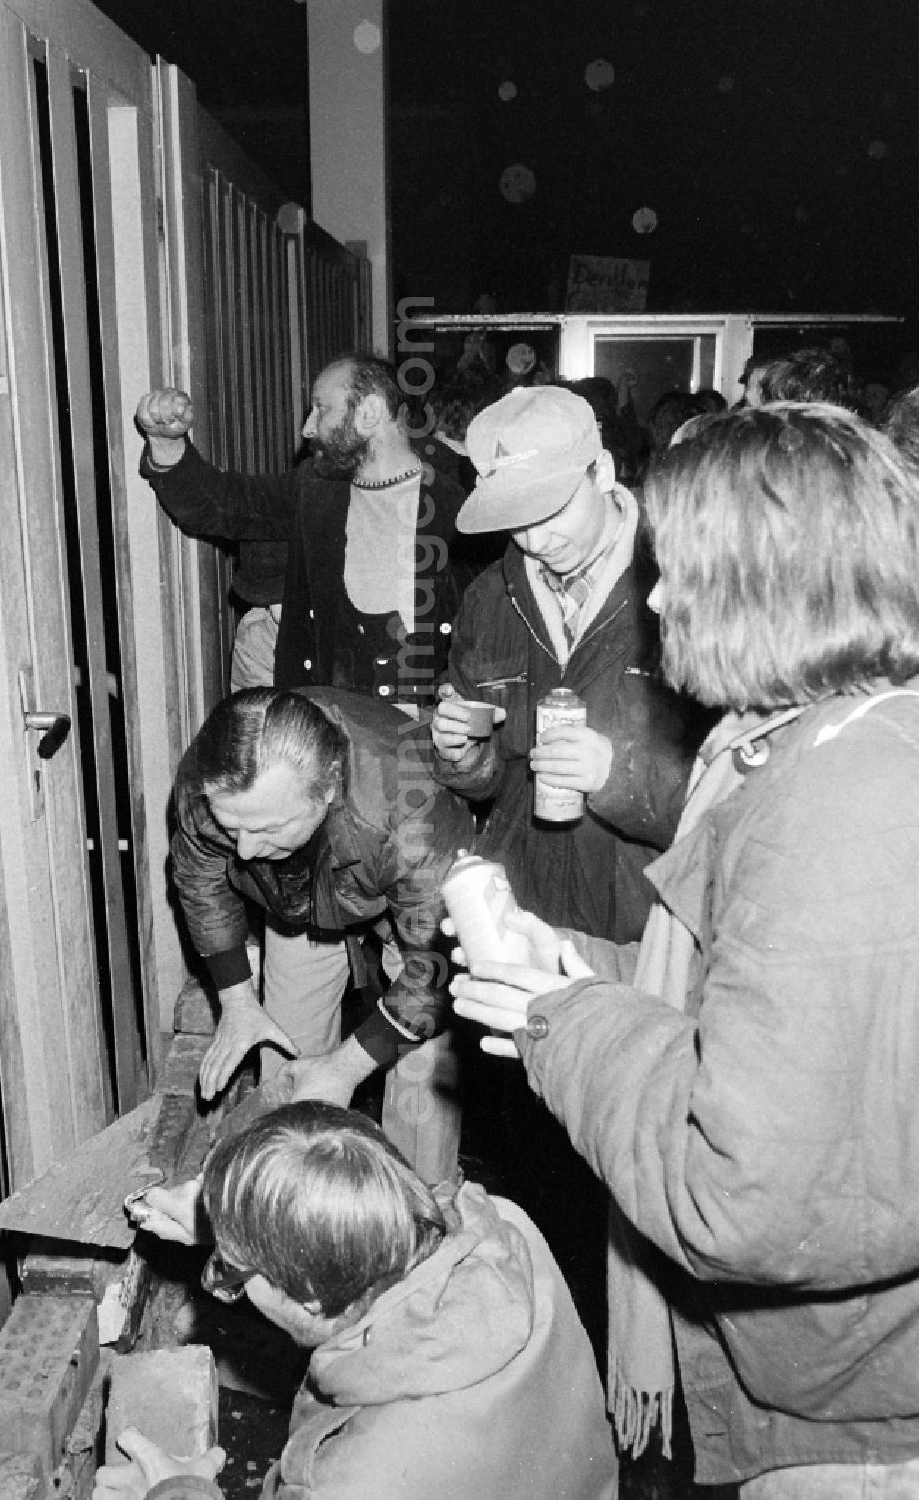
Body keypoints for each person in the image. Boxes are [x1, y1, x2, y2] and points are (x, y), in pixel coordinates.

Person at [451, 402, 919, 1494]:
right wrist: (572, 974)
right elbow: (754, 1019)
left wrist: (568, 1019)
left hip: (858, 1427)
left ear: (760, 584)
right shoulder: (828, 744)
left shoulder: (839, 801)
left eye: (682, 569)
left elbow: (735, 1190)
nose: (657, 600)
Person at [94, 1101, 619, 1500]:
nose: (231, 1282)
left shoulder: (350, 1479)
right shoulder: (504, 1227)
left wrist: (179, 1493)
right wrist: (240, 1217)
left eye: (234, 1273)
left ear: (315, 1299)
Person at [431, 383, 708, 944]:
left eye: (550, 508)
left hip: (650, 925)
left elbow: (737, 801)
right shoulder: (489, 600)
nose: (534, 539)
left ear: (602, 471)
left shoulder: (690, 578)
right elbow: (489, 786)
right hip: (528, 919)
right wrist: (463, 755)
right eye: (514, 518)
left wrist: (618, 776)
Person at [172, 686, 473, 1183]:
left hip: (411, 904)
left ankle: (420, 1207)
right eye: (233, 828)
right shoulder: (212, 778)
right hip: (295, 901)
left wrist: (348, 1066)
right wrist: (239, 1000)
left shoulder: (410, 810)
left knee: (424, 1070)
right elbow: (201, 878)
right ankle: (285, 1209)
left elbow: (437, 968)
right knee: (287, 1070)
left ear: (329, 787)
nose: (243, 852)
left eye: (267, 829)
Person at [135, 353, 475, 708]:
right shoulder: (315, 487)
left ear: (370, 412)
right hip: (337, 725)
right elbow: (225, 504)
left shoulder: (465, 495)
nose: (308, 429)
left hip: (433, 732)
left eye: (322, 409)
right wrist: (167, 443)